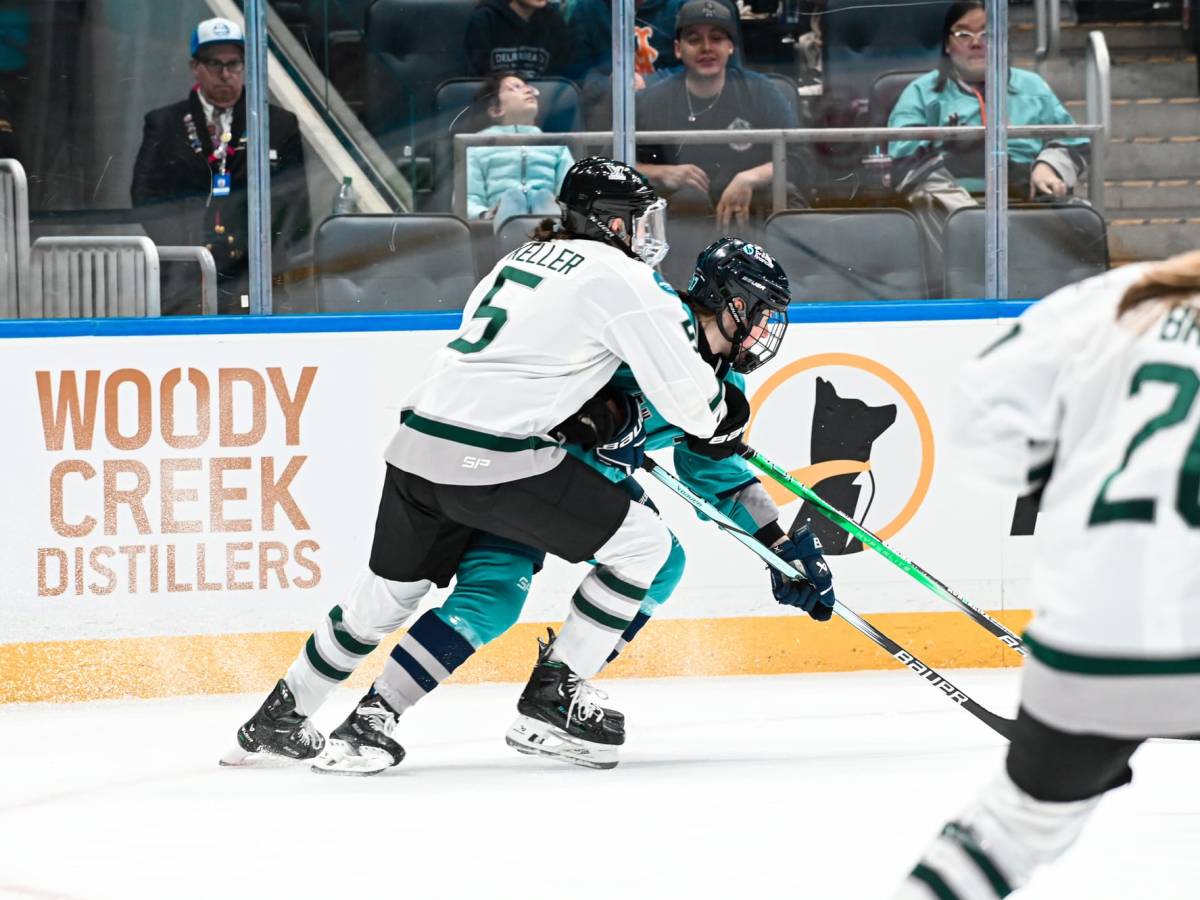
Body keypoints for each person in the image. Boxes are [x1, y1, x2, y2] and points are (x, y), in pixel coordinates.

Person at [231, 235, 836, 775]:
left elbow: (717, 472)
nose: (765, 332)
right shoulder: (653, 319)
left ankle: (369, 717)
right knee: (646, 555)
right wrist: (599, 417)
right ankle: (554, 691)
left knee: (492, 594)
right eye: (760, 314)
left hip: (528, 474)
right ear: (730, 301)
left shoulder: (723, 380)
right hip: (528, 465)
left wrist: (779, 545)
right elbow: (564, 371)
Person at [895, 250, 1200, 899]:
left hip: (1098, 628)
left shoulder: (1126, 294)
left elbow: (981, 419)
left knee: (1009, 833)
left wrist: (1073, 480)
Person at [130, 18, 310, 316]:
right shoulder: (164, 124)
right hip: (185, 273)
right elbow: (145, 196)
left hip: (256, 273)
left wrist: (266, 249)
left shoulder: (277, 124)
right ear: (195, 67)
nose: (225, 74)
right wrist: (189, 246)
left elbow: (297, 202)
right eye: (215, 64)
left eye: (234, 64)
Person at [886, 1, 1088, 267]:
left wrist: (1047, 167)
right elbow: (904, 151)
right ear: (947, 44)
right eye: (963, 34)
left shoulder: (1032, 87)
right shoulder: (921, 92)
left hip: (1024, 193)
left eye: (986, 34)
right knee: (928, 199)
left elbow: (1074, 141)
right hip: (947, 198)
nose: (976, 43)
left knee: (1083, 216)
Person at [635, 0, 803, 283]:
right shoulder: (652, 100)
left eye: (716, 38)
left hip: (751, 215)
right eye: (693, 39)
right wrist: (664, 173)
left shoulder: (761, 92)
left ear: (731, 47)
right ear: (678, 49)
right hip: (684, 222)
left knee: (780, 192)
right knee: (687, 200)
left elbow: (800, 158)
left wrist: (750, 178)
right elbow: (618, 160)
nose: (706, 48)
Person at [465, 72, 574, 228]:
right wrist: (485, 215)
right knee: (512, 198)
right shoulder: (478, 144)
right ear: (496, 110)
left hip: (549, 219)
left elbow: (570, 191)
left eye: (528, 87)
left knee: (544, 198)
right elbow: (467, 197)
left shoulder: (554, 143)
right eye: (514, 88)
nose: (528, 91)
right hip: (496, 225)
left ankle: (551, 226)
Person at [464, 0, 570, 81]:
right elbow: (477, 78)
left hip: (541, 101)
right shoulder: (486, 18)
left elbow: (561, 78)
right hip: (496, 102)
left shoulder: (554, 20)